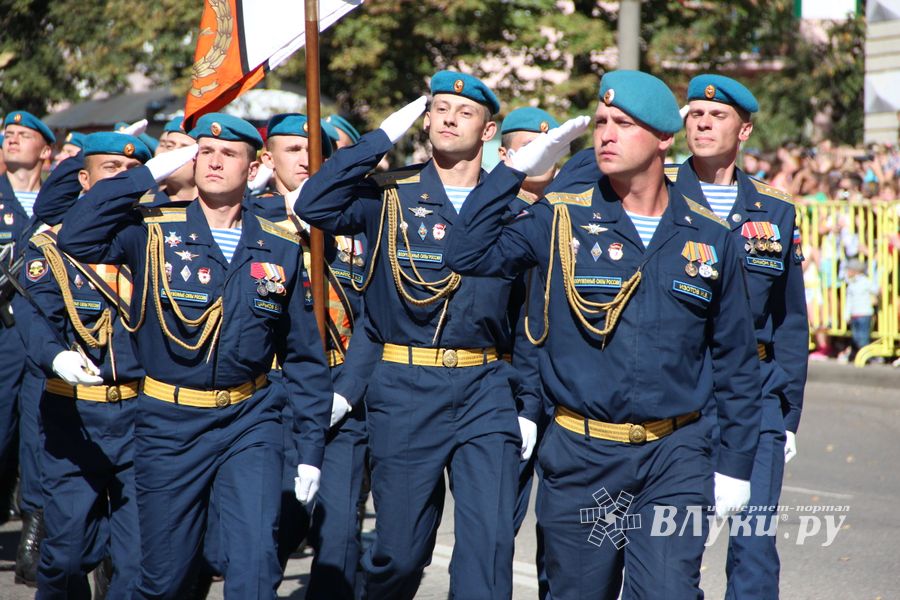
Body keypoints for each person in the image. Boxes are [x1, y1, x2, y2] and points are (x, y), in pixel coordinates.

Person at [444, 69, 762, 599]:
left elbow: (735, 361)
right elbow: (464, 253)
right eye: (601, 122)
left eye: (623, 124)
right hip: (582, 455)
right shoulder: (561, 218)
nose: (606, 134)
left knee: (669, 592)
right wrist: (517, 168)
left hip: (675, 456)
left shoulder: (708, 234)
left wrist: (734, 466)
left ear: (664, 139)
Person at [57, 113, 332, 598]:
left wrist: (310, 450)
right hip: (170, 422)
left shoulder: (280, 243)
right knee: (165, 578)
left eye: (230, 154)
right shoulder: (150, 230)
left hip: (250, 420)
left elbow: (304, 355)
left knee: (255, 562)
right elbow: (75, 235)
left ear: (253, 171)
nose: (214, 161)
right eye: (206, 151)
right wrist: (146, 174)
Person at [296, 71, 536, 600]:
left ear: (489, 128)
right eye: (440, 108)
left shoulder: (513, 209)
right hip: (404, 384)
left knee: (489, 549)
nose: (449, 117)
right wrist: (377, 142)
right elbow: (312, 204)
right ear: (426, 121)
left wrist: (529, 404)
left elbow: (528, 320)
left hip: (485, 383)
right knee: (399, 555)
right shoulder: (386, 194)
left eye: (465, 111)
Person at [671, 74, 809, 599]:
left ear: (744, 130)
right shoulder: (656, 191)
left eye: (718, 116)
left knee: (754, 545)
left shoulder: (774, 208)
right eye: (695, 115)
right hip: (681, 385)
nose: (703, 123)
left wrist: (789, 412)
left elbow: (790, 317)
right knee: (676, 541)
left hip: (754, 392)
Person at [22, 132, 153, 599]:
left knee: (138, 560)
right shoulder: (52, 245)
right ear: (84, 178)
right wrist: (56, 355)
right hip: (75, 415)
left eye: (130, 170)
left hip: (144, 415)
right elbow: (36, 316)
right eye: (109, 169)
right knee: (66, 556)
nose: (121, 178)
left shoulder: (160, 239)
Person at [255, 113, 369, 599]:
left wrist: (345, 393)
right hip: (272, 393)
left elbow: (379, 320)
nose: (305, 159)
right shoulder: (245, 220)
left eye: (314, 150)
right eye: (292, 149)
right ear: (267, 159)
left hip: (340, 393)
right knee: (270, 531)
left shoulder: (358, 220)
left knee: (340, 534)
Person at [1, 110, 55, 587]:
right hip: (0, 333)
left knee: (40, 434)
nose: (13, 139)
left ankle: (33, 539)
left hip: (40, 335)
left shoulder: (60, 202)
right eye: (8, 134)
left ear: (46, 151)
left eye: (24, 135)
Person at [841, 258, 878, 362]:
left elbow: (875, 289)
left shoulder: (865, 281)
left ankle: (865, 357)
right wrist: (847, 314)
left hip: (864, 313)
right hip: (854, 314)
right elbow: (849, 301)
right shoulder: (851, 284)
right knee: (856, 337)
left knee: (863, 337)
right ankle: (858, 355)